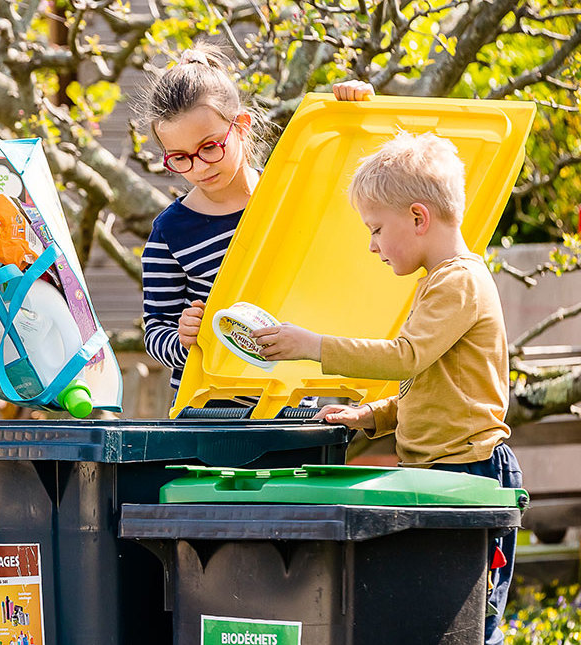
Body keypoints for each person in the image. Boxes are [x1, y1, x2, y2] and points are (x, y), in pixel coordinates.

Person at [251, 130, 522, 644]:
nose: (371, 244)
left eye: (376, 229)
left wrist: (313, 345)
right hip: (437, 473)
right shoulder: (436, 281)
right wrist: (371, 415)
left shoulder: (458, 281)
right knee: (434, 615)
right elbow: (433, 386)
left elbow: (406, 357)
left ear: (418, 218)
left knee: (469, 621)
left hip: (473, 474)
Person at [139, 42, 373, 389]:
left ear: (242, 126)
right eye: (180, 157)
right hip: (208, 411)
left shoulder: (290, 197)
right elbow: (156, 329)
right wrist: (183, 339)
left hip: (293, 401)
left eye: (209, 147)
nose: (199, 166)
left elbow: (363, 184)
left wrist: (359, 113)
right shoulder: (170, 232)